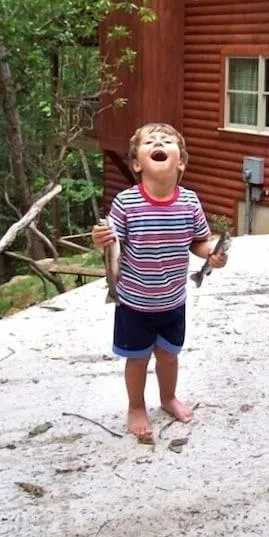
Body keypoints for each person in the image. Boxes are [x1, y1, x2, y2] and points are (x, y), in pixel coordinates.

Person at [92, 123, 228, 440]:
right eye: (150, 142)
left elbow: (199, 242)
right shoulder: (126, 203)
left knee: (168, 356)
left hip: (173, 300)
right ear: (136, 163)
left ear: (181, 162)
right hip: (133, 302)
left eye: (167, 141)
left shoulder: (190, 202)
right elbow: (112, 244)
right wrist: (100, 239)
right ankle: (136, 406)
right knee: (137, 359)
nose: (159, 143)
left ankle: (168, 398)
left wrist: (211, 255)